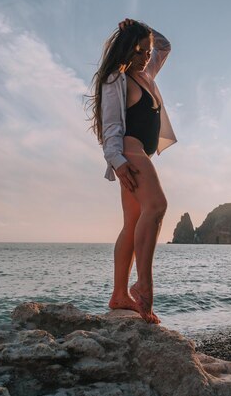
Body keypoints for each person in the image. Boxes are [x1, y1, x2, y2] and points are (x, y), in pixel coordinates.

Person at [88, 18, 177, 324]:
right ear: (126, 50)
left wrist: (140, 26)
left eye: (146, 51)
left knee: (133, 223)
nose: (144, 57)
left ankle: (118, 295)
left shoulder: (147, 74)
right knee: (157, 207)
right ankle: (144, 285)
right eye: (138, 51)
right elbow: (111, 126)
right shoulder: (117, 80)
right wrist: (117, 161)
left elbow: (164, 46)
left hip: (139, 152)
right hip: (129, 152)